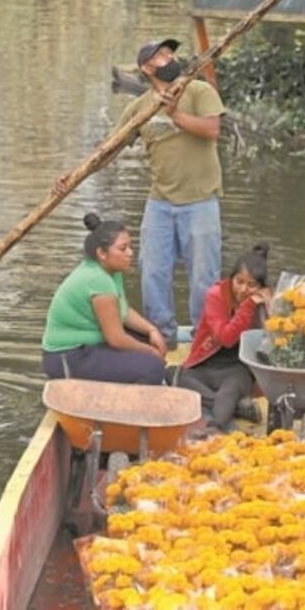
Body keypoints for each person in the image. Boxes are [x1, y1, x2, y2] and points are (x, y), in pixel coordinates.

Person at [117, 38, 226, 350]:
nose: (169, 57)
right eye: (161, 55)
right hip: (160, 203)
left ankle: (204, 341)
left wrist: (174, 114)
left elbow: (212, 130)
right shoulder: (138, 109)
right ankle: (161, 338)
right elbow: (110, 150)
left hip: (201, 200)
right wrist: (71, 175)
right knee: (152, 273)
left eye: (170, 52)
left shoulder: (199, 91)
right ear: (146, 68)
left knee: (204, 280)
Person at [41, 213, 166, 384]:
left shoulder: (111, 271)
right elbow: (115, 339)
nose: (130, 253)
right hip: (67, 358)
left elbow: (122, 310)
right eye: (123, 249)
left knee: (144, 338)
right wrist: (151, 353)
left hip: (85, 347)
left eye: (130, 246)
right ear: (102, 253)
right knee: (152, 367)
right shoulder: (98, 280)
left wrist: (152, 330)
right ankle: (121, 407)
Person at [170, 244, 271, 433]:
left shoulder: (264, 301)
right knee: (178, 378)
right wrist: (248, 306)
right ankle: (236, 409)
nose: (242, 289)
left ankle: (215, 426)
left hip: (237, 367)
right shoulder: (216, 295)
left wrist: (269, 306)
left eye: (251, 285)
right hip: (205, 364)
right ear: (231, 278)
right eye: (239, 281)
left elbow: (274, 337)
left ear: (261, 287)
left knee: (230, 390)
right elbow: (225, 338)